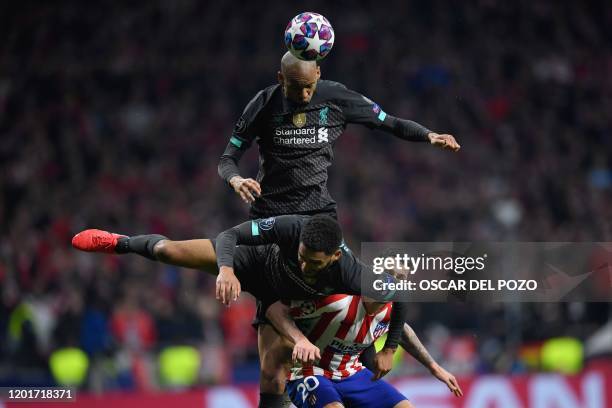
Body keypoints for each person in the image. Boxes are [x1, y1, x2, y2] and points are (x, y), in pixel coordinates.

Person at [216, 51, 460, 406]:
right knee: (272, 365)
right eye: (296, 87)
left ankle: (334, 371)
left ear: (319, 72)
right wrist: (236, 178)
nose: (303, 95)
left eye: (309, 86)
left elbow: (387, 121)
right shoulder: (265, 104)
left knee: (333, 310)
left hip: (319, 227)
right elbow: (227, 158)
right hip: (274, 226)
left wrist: (428, 136)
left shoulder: (336, 97)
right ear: (281, 79)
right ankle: (127, 244)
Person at [72, 214, 408, 404]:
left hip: (281, 301)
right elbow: (230, 235)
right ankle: (120, 241)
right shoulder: (291, 228)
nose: (306, 265)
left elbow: (400, 294)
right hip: (253, 265)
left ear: (335, 257)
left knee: (272, 373)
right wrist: (227, 269)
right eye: (302, 256)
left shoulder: (353, 273)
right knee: (168, 252)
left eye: (314, 263)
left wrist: (388, 348)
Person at [265, 295, 463, 408]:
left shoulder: (389, 311)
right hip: (311, 372)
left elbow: (403, 331)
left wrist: (435, 367)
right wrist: (299, 339)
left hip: (352, 372)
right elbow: (274, 309)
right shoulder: (337, 302)